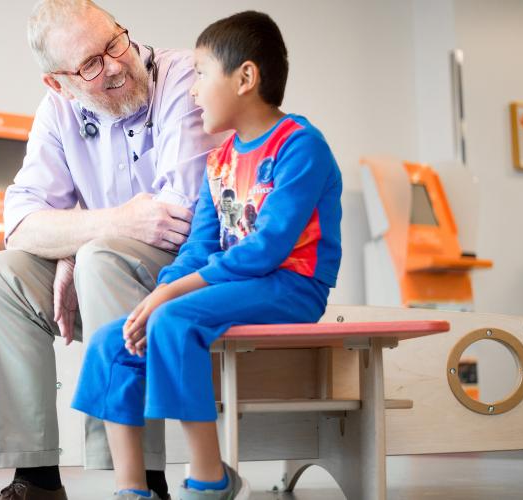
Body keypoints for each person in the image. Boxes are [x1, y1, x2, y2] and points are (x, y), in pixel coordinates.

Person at [71, 10, 343, 499]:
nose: (192, 90)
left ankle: (208, 481)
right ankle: (132, 490)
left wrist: (170, 295)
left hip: (292, 285)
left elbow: (268, 249)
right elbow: (199, 247)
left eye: (200, 73)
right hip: (237, 284)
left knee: (173, 321)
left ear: (245, 78)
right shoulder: (220, 160)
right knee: (113, 341)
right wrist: (154, 297)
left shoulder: (301, 147)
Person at [0, 1, 222, 498]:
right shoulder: (58, 110)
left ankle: (140, 478)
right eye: (89, 64)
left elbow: (180, 217)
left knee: (102, 258)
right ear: (57, 82)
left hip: (189, 273)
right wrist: (91, 237)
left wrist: (78, 241)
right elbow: (20, 222)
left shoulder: (178, 79)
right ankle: (36, 479)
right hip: (102, 269)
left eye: (114, 43)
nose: (114, 65)